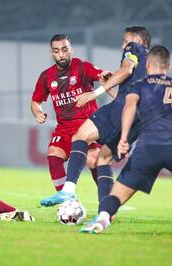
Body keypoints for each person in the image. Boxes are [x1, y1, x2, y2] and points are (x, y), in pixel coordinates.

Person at [80, 45, 172, 241]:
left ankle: (102, 219)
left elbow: (129, 107)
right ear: (168, 66)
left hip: (148, 149)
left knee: (118, 193)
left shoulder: (140, 85)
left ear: (148, 64)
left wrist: (124, 138)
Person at [40, 26, 150, 206]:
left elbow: (126, 71)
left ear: (137, 41)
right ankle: (106, 211)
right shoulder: (152, 62)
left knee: (80, 136)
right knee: (103, 159)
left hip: (122, 109)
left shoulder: (134, 49)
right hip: (139, 117)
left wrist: (95, 93)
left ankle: (67, 192)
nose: (123, 45)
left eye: (125, 40)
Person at [31, 34, 114, 192]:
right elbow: (36, 101)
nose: (61, 54)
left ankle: (108, 201)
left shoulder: (82, 67)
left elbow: (100, 74)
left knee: (93, 160)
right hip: (64, 128)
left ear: (71, 50)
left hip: (88, 125)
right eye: (56, 51)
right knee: (53, 154)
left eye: (64, 49)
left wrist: (104, 74)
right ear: (52, 53)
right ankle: (67, 202)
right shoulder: (46, 76)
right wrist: (37, 112)